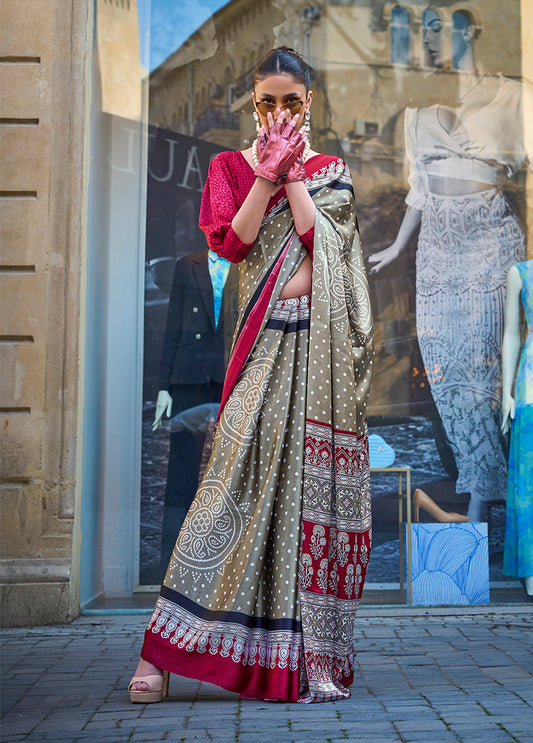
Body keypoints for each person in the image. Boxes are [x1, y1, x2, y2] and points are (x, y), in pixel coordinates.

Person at [129, 47, 373, 705]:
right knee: (223, 491)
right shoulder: (228, 167)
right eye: (264, 101)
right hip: (262, 349)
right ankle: (162, 649)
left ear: (308, 103)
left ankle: (284, 658)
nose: (276, 112)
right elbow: (231, 244)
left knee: (299, 505)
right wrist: (262, 174)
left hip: (314, 359)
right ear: (252, 105)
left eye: (289, 101)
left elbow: (323, 242)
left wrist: (292, 170)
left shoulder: (331, 171)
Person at [369, 13, 526, 521]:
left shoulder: (514, 97)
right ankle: (483, 491)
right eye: (423, 28)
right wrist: (397, 247)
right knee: (445, 376)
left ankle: (483, 504)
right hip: (435, 249)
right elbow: (418, 187)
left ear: (471, 29)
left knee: (483, 374)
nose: (428, 37)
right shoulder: (416, 111)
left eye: (438, 24)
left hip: (488, 242)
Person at [153, 249, 237, 577]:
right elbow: (173, 326)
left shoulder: (249, 262)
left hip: (232, 376)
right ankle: (171, 566)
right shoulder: (186, 265)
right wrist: (164, 386)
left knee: (231, 474)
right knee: (181, 474)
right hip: (188, 378)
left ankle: (224, 567)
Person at [501, 260, 533, 596]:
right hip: (530, 388)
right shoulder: (521, 273)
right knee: (528, 484)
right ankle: (530, 567)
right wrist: (506, 392)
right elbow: (511, 335)